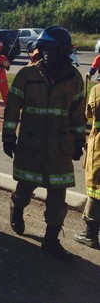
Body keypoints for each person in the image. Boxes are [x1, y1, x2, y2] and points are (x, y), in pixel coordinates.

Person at [2, 26, 86, 262]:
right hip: (32, 145)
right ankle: (17, 207)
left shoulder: (74, 79)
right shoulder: (27, 75)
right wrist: (8, 136)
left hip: (60, 148)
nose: (46, 53)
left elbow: (78, 113)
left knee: (58, 195)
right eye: (43, 49)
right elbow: (12, 108)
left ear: (63, 50)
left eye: (51, 49)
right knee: (25, 188)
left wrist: (79, 141)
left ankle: (51, 240)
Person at [73, 81, 100, 249]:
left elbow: (89, 115)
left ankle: (90, 235)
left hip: (98, 146)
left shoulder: (97, 90)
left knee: (96, 190)